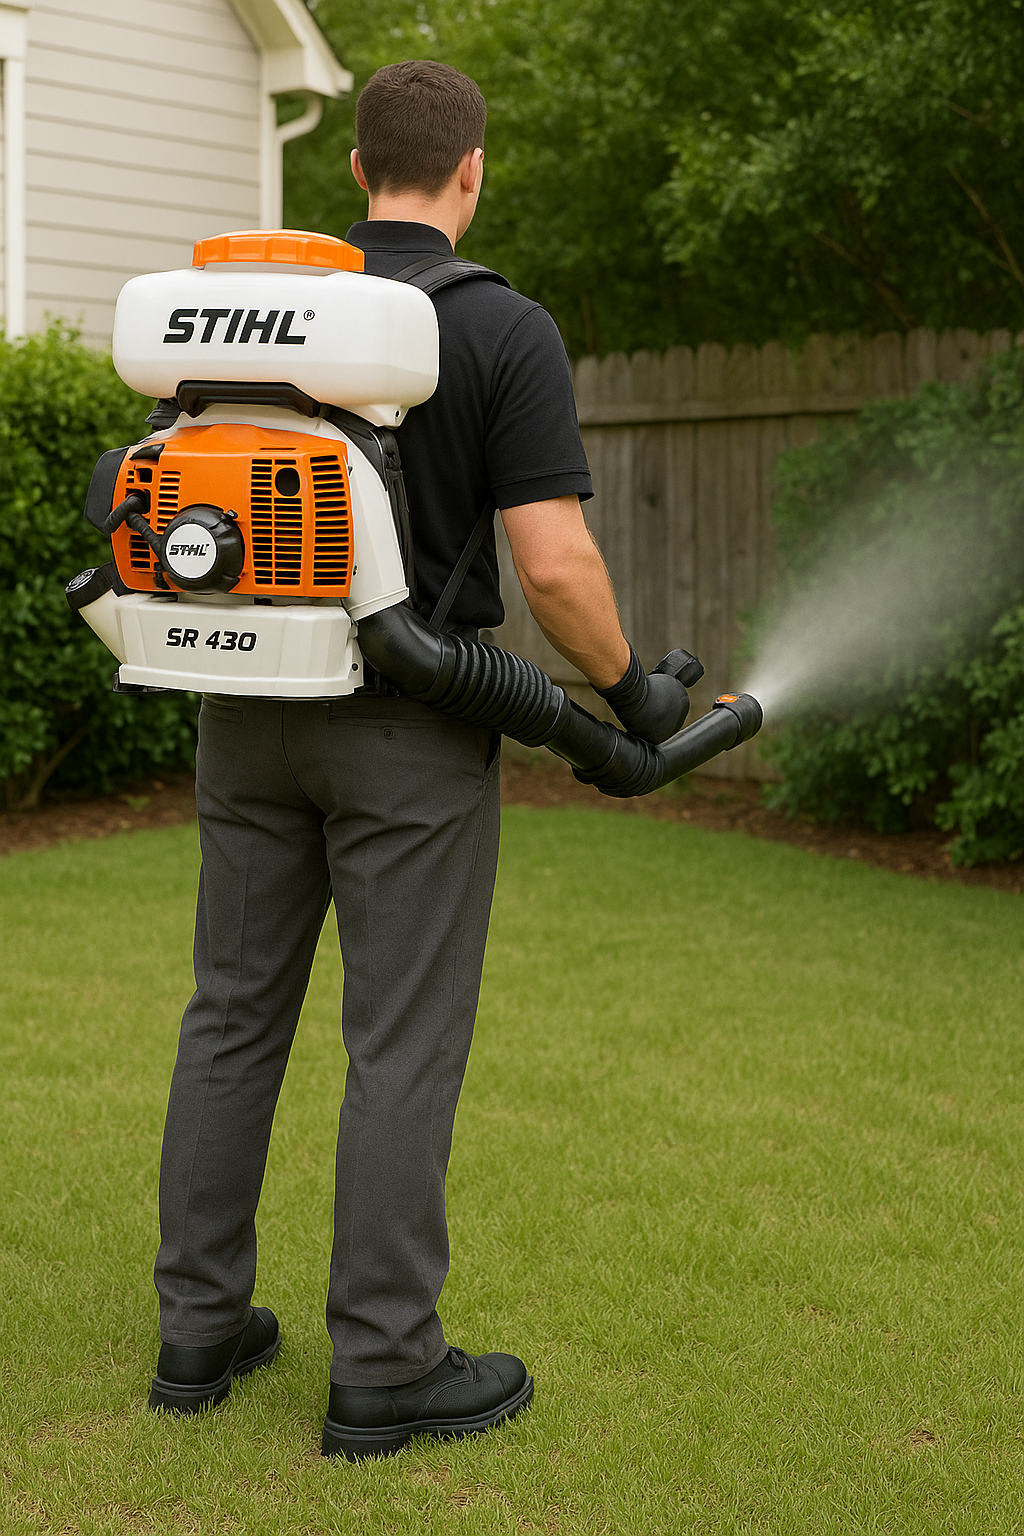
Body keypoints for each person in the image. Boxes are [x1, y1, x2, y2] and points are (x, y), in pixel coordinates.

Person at [147, 59, 656, 1462]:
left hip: (245, 702)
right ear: (472, 170)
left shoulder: (254, 317)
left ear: (359, 170)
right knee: (400, 1044)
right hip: (412, 736)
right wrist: (628, 694)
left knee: (229, 1017)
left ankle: (198, 1331)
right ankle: (384, 1367)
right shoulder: (499, 325)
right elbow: (553, 565)